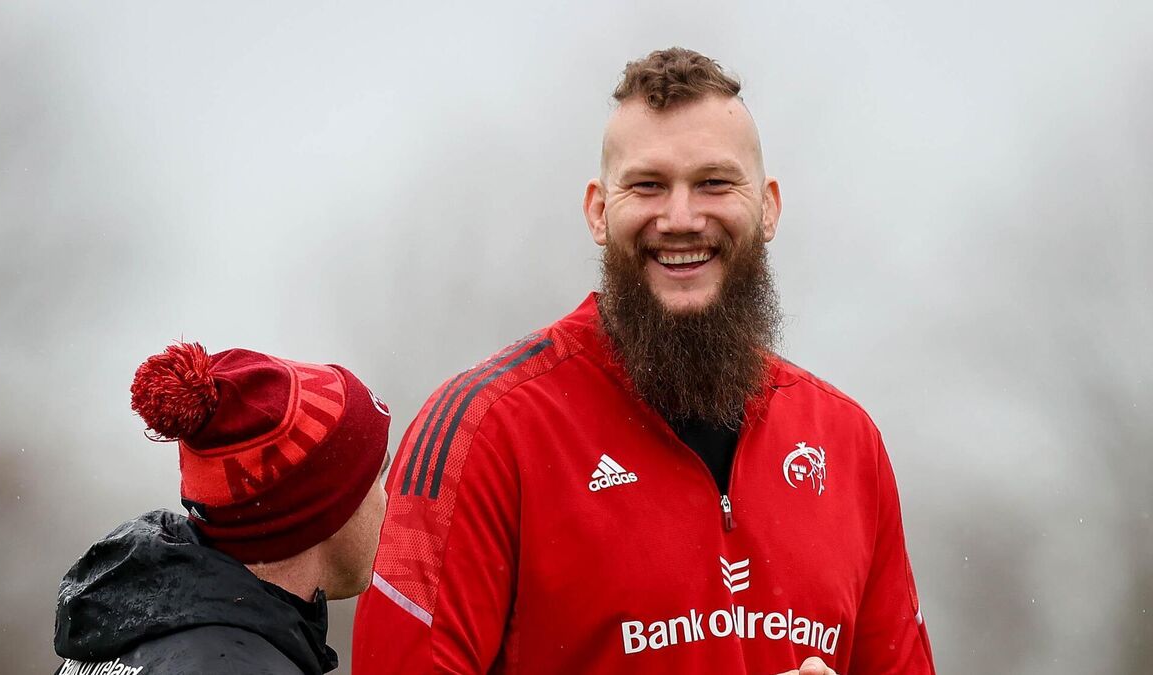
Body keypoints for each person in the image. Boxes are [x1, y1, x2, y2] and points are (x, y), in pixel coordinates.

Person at [352, 47, 935, 674]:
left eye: (714, 183)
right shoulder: (484, 429)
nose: (680, 218)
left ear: (768, 207)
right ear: (599, 211)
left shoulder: (848, 443)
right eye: (648, 185)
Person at [52, 342, 391, 675]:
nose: (386, 500)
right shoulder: (240, 665)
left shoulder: (131, 628)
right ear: (324, 511)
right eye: (377, 476)